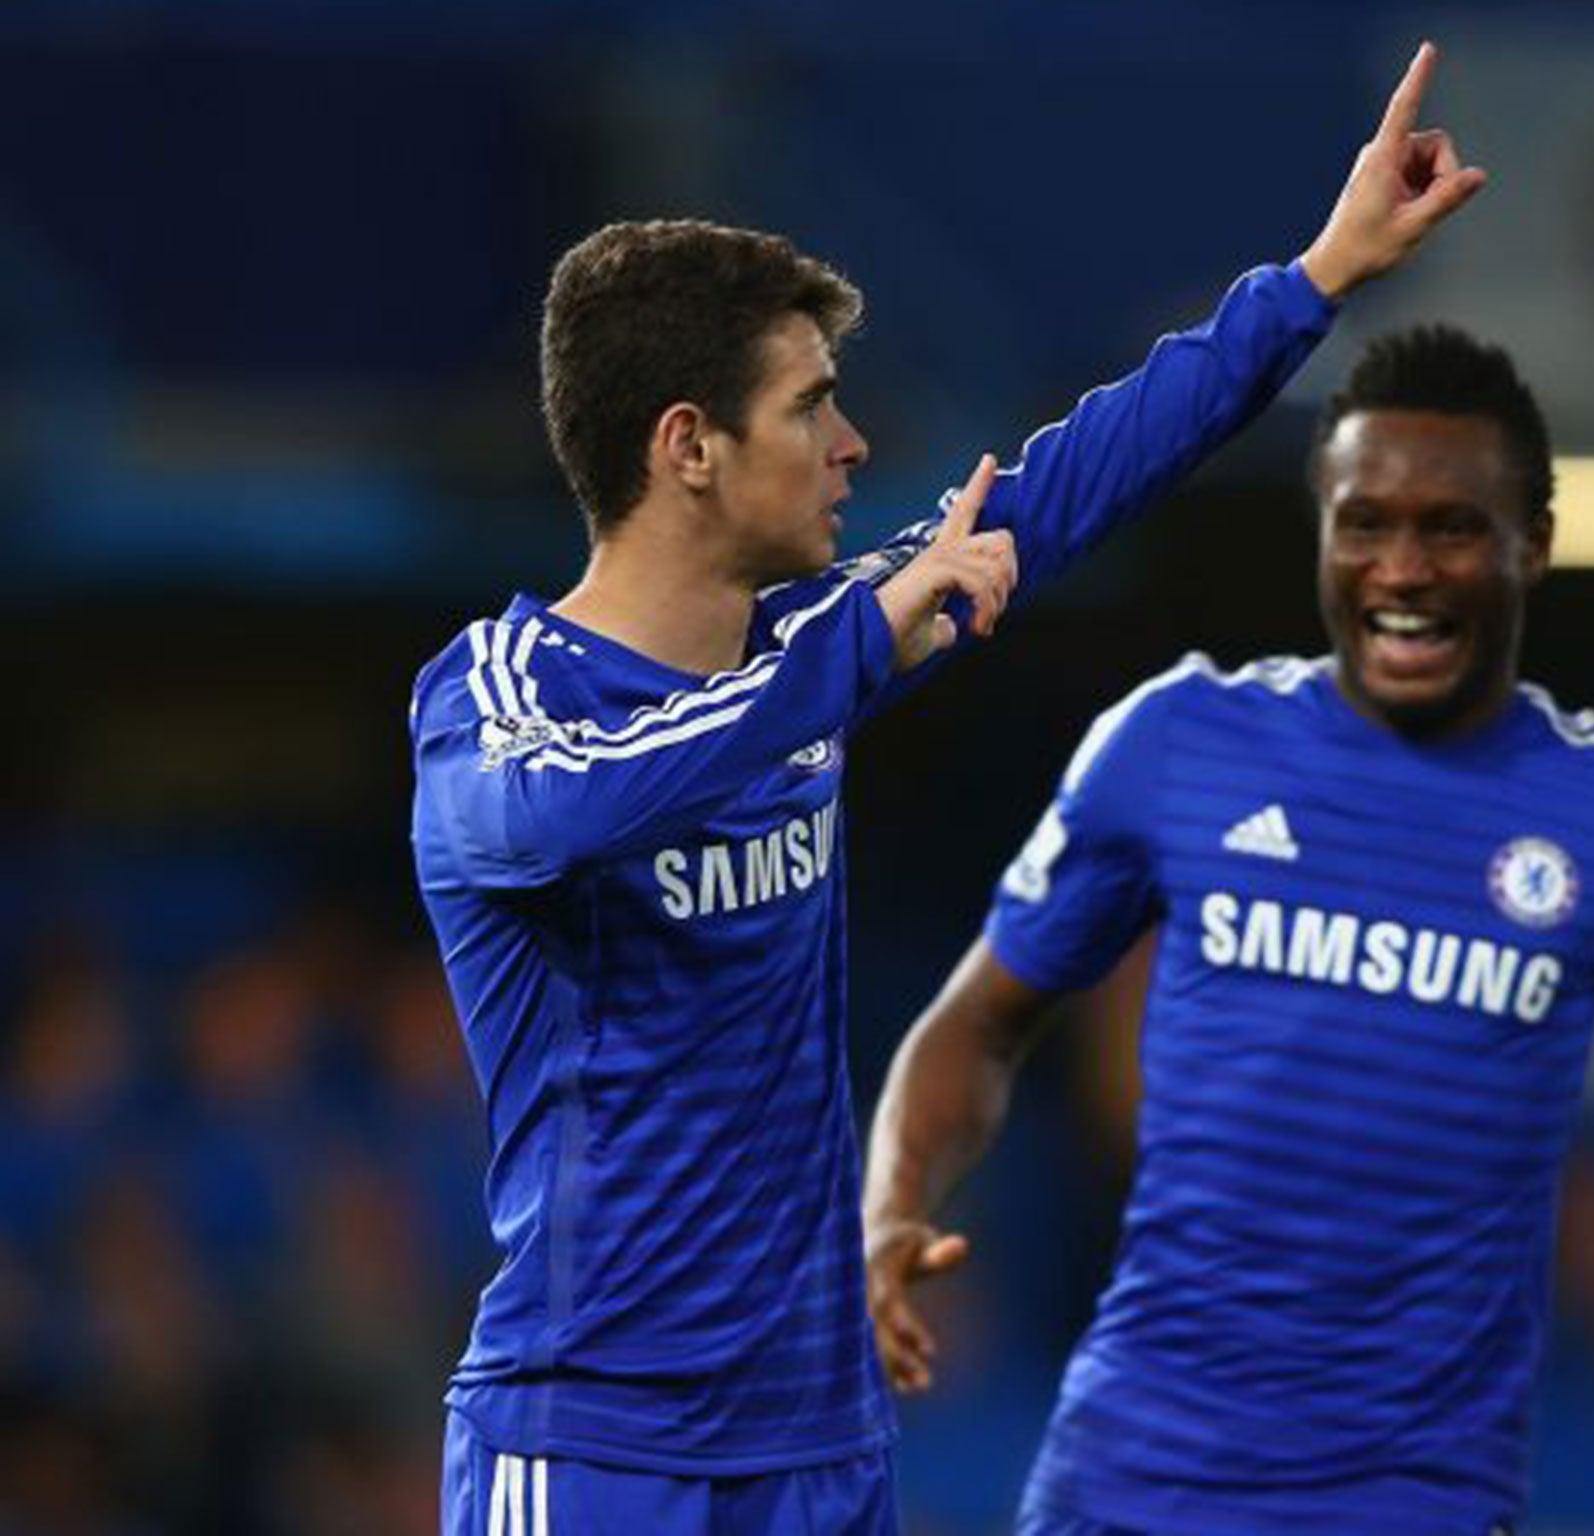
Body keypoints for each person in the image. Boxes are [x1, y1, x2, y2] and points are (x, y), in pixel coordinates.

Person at [408, 43, 1484, 1536]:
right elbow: (567, 812)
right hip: (595, 1443)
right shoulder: (498, 701)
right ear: (687, 448)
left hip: (814, 1436)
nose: (852, 444)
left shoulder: (805, 646)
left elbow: (1071, 482)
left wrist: (1315, 276)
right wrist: (853, 649)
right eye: (810, 408)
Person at [863, 324, 1594, 1535]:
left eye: (1449, 528)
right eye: (1363, 523)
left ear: (1532, 546)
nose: (1400, 568)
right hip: (1133, 1489)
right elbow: (981, 1023)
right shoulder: (1175, 746)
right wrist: (893, 1200)